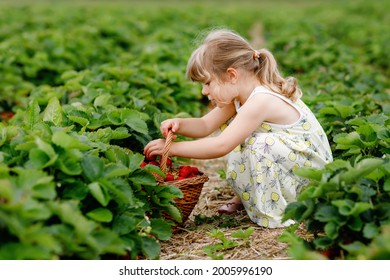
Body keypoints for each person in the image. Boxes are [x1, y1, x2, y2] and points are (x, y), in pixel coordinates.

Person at [144, 28, 333, 228]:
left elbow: (221, 145)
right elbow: (205, 125)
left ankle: (282, 210)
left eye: (207, 83)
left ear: (232, 75)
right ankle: (251, 197)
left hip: (309, 173)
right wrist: (180, 124)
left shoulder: (261, 99)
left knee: (258, 144)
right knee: (246, 142)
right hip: (289, 163)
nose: (204, 91)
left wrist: (172, 149)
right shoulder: (236, 96)